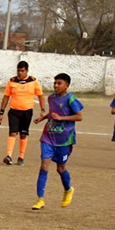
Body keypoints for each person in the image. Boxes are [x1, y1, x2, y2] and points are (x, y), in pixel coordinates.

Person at [30, 73, 83, 211]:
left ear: (67, 85)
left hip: (64, 140)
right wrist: (42, 118)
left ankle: (68, 189)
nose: (56, 86)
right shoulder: (51, 98)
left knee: (60, 168)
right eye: (55, 83)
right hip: (48, 136)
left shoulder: (71, 99)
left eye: (59, 83)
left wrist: (61, 118)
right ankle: (40, 199)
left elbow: (79, 117)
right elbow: (53, 112)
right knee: (44, 166)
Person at [0, 61, 45, 166]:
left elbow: (40, 96)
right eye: (18, 70)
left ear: (27, 71)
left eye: (22, 71)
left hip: (27, 112)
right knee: (12, 133)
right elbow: (6, 97)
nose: (20, 73)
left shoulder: (33, 81)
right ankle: (9, 156)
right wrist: (1, 112)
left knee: (23, 134)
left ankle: (21, 156)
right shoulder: (12, 81)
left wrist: (42, 109)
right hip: (14, 111)